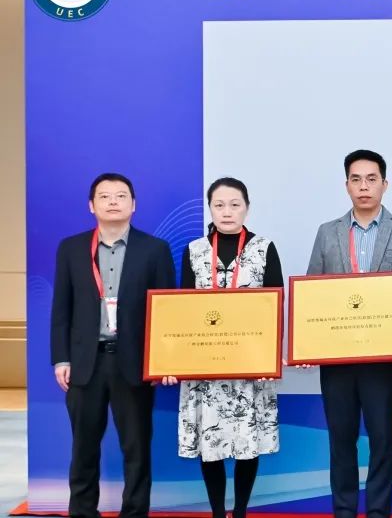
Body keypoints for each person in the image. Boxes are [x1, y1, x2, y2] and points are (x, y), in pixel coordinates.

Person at [306, 149, 392, 518]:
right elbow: (312, 291)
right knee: (341, 441)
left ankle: (377, 512)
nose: (364, 186)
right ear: (347, 185)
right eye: (356, 179)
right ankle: (343, 510)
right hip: (338, 360)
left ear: (384, 184)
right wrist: (308, 343)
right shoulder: (327, 233)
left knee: (382, 441)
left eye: (371, 179)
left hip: (383, 361)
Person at [50, 173, 175, 518]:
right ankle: (82, 512)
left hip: (133, 364)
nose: (113, 202)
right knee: (83, 449)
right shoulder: (71, 249)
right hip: (85, 364)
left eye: (121, 195)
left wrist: (164, 361)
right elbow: (61, 309)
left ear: (134, 205)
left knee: (137, 450)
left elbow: (167, 312)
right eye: (104, 196)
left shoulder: (155, 250)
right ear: (92, 206)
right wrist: (61, 358)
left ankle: (134, 513)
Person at [161, 178, 284, 518]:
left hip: (251, 366)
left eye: (234, 204)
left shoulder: (264, 247)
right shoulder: (195, 250)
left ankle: (240, 510)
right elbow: (184, 311)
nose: (227, 212)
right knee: (210, 443)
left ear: (247, 207)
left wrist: (269, 358)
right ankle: (217, 512)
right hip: (206, 365)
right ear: (210, 209)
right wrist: (175, 359)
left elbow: (275, 308)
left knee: (248, 443)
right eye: (219, 205)